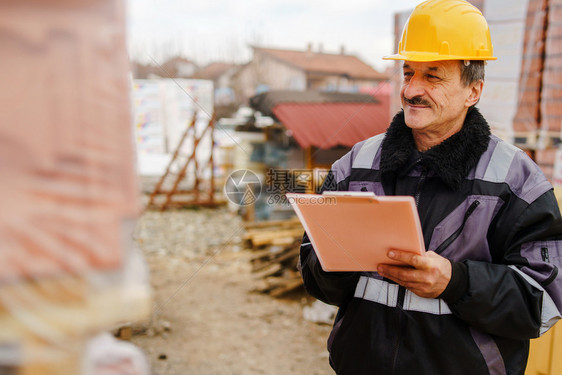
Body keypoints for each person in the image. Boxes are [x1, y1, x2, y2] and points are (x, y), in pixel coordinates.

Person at [298, 0, 562, 374]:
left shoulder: (516, 181)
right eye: (408, 73)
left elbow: (544, 301)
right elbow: (313, 274)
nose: (412, 90)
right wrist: (337, 261)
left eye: (433, 76)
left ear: (474, 91)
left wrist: (456, 282)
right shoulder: (356, 165)